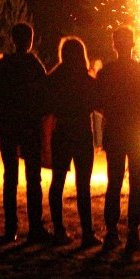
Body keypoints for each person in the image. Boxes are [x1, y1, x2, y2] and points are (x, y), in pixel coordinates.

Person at [96, 26, 140, 252]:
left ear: (115, 45)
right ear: (132, 44)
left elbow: (96, 100)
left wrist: (111, 112)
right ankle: (132, 232)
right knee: (136, 183)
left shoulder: (107, 72)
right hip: (138, 132)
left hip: (116, 132)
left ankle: (112, 232)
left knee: (115, 182)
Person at [0, 22, 51, 243]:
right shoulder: (34, 65)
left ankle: (11, 228)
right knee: (33, 179)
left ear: (12, 40)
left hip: (9, 126)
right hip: (28, 126)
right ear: (29, 40)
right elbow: (43, 95)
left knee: (10, 178)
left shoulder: (3, 65)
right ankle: (35, 227)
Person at [44, 36, 100, 248]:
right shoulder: (86, 80)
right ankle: (87, 233)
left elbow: (47, 103)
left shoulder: (55, 78)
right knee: (83, 185)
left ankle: (59, 230)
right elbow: (98, 103)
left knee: (57, 181)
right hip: (82, 133)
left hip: (62, 132)